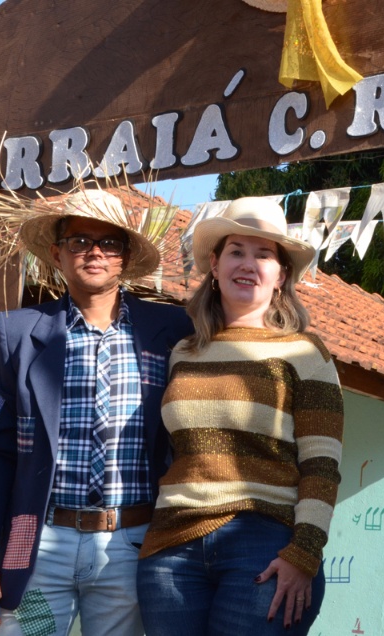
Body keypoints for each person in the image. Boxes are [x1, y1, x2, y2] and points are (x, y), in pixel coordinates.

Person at [0, 189, 193, 636]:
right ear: (57, 254)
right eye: (80, 241)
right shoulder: (19, 334)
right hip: (34, 539)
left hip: (130, 542)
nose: (95, 252)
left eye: (109, 243)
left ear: (125, 257)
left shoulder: (169, 332)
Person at [136, 197, 344, 635]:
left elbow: (322, 465)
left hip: (264, 543)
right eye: (236, 251)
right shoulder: (183, 353)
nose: (248, 264)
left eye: (264, 254)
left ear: (281, 274)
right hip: (170, 550)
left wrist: (304, 553)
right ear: (214, 264)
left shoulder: (306, 353)